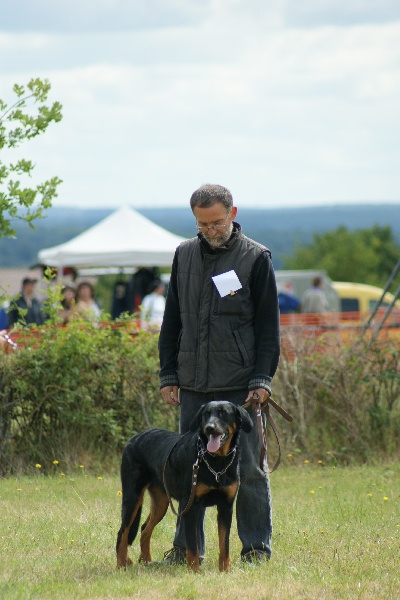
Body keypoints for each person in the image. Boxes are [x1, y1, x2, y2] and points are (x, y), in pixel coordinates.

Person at [158, 183, 280, 564]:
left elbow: (268, 328)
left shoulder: (256, 258)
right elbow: (172, 319)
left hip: (240, 386)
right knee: (187, 469)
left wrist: (262, 379)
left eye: (216, 222)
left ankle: (256, 549)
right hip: (193, 383)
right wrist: (168, 374)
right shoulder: (183, 255)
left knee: (250, 470)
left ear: (233, 213)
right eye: (202, 225)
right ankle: (185, 550)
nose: (210, 231)